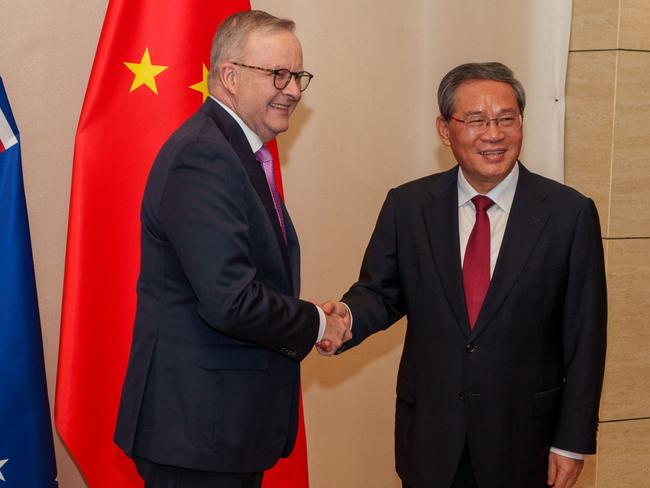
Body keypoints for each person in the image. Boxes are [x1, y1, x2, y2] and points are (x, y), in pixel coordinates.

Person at [321, 62, 606, 488]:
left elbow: (586, 337)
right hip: (431, 439)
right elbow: (380, 292)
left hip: (526, 442)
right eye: (475, 121)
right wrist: (346, 319)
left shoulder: (569, 214)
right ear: (444, 128)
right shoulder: (409, 206)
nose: (493, 134)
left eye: (506, 119)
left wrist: (571, 441)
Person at [114, 10, 351, 488]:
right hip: (197, 431)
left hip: (219, 429)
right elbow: (231, 300)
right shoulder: (205, 156)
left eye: (298, 75)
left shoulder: (236, 152)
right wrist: (319, 323)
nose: (294, 90)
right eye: (278, 74)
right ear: (229, 76)